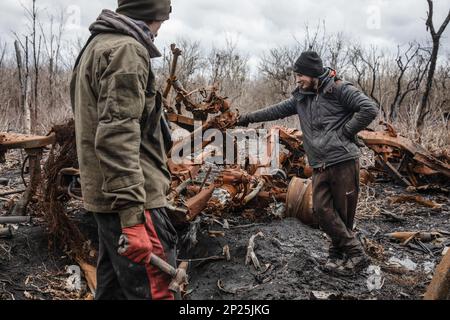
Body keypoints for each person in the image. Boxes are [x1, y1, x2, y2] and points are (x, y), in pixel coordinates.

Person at [70, 0, 178, 299]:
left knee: (114, 291)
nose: (160, 29)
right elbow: (117, 136)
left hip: (108, 197)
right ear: (152, 15)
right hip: (135, 200)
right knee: (158, 291)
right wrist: (133, 218)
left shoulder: (97, 44)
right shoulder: (127, 51)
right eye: (161, 19)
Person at [238, 51, 378, 274]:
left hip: (343, 161)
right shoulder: (301, 97)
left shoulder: (339, 89)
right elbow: (275, 110)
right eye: (296, 75)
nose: (298, 80)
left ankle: (344, 256)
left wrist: (346, 131)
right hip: (319, 162)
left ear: (313, 73)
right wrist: (247, 117)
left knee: (343, 214)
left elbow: (369, 108)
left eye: (301, 75)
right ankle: (354, 253)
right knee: (322, 210)